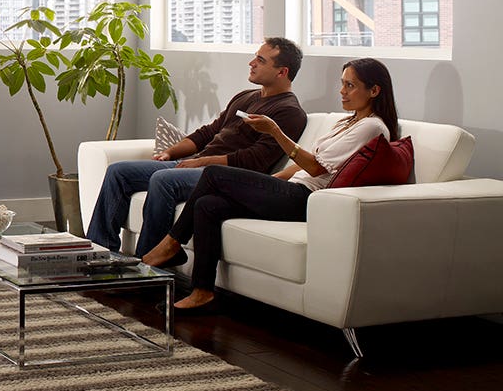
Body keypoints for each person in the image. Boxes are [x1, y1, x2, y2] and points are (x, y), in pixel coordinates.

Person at [143, 57, 400, 314]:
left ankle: (172, 243)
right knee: (208, 205)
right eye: (342, 84)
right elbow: (303, 165)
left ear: (374, 91)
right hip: (292, 191)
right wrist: (270, 183)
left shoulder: (372, 127)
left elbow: (315, 167)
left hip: (307, 200)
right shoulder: (347, 123)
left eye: (350, 85)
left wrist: (275, 131)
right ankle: (202, 291)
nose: (342, 91)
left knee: (213, 174)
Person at [86, 38, 307, 257]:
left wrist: (201, 162)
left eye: (261, 60)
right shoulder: (245, 96)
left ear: (282, 72)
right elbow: (208, 132)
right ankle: (98, 253)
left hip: (228, 177)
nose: (251, 63)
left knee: (163, 180)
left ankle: (148, 264)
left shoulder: (289, 112)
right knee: (119, 172)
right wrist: (170, 152)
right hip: (197, 164)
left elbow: (254, 161)